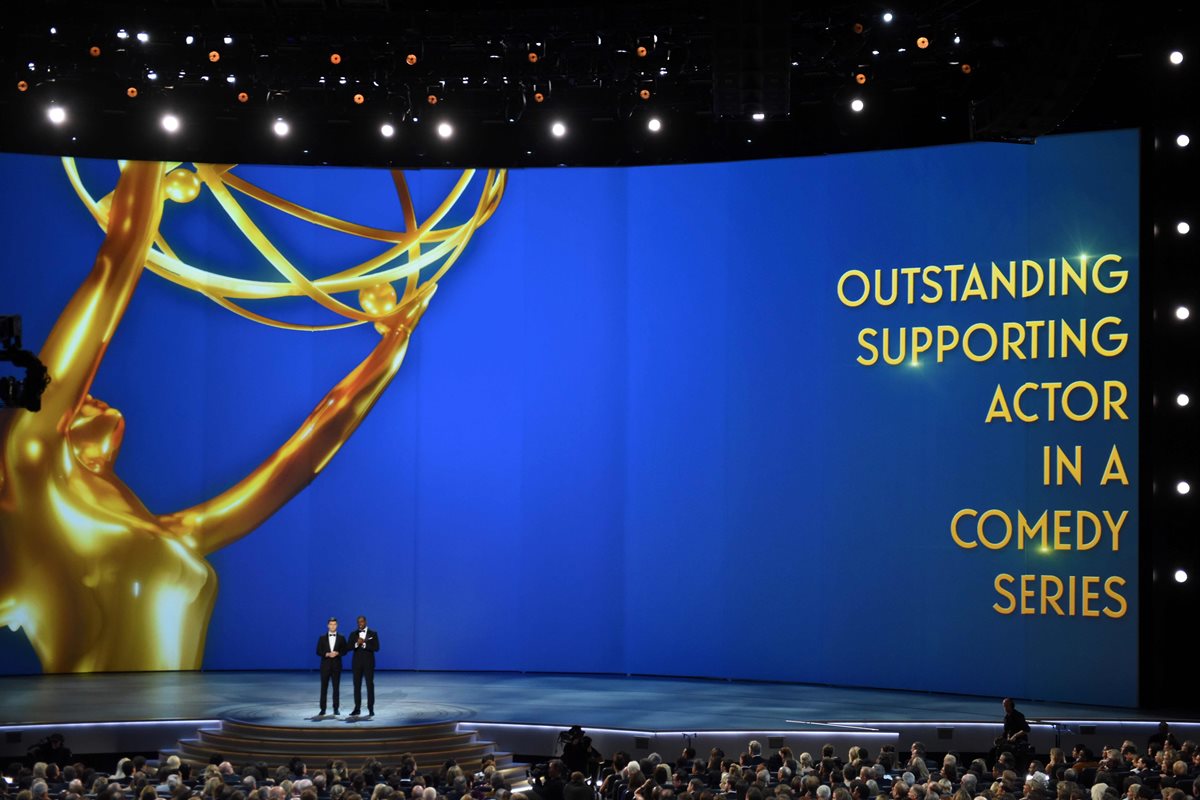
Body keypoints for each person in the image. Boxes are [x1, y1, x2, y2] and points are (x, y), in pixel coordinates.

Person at [349, 615, 380, 717]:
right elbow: (348, 647)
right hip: (356, 664)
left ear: (365, 622)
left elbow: (376, 647)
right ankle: (357, 708)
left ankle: (371, 708)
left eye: (362, 622)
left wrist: (365, 645)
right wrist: (357, 644)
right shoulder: (353, 634)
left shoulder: (373, 634)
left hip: (368, 664)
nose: (360, 624)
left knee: (369, 686)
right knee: (356, 687)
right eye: (358, 622)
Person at [316, 617, 348, 716]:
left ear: (337, 625)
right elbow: (318, 651)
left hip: (336, 666)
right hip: (325, 666)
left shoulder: (341, 637)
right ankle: (323, 709)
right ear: (328, 625)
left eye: (334, 624)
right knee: (324, 688)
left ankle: (336, 708)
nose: (333, 626)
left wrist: (338, 653)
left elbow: (345, 650)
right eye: (331, 624)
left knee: (336, 688)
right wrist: (326, 654)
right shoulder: (322, 638)